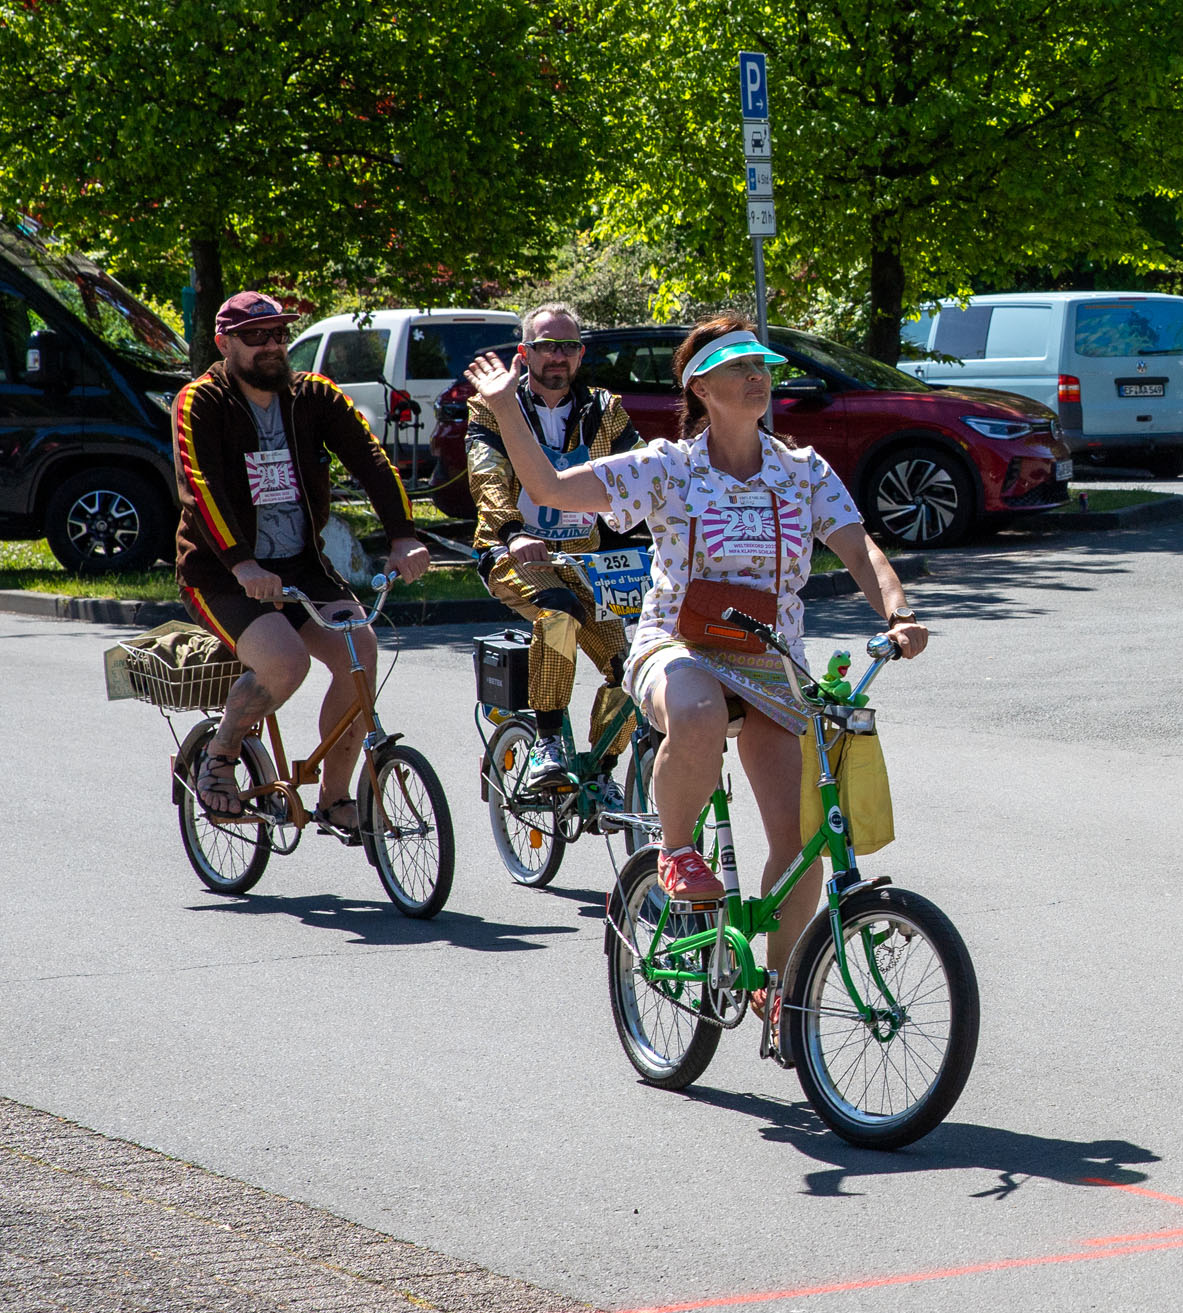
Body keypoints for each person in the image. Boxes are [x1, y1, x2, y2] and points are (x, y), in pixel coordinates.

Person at [466, 313, 928, 1007]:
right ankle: (677, 851)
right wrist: (506, 409)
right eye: (740, 368)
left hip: (772, 661)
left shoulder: (803, 471)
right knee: (697, 707)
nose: (757, 378)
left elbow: (860, 549)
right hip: (673, 646)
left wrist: (897, 612)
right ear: (701, 388)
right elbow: (556, 492)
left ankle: (780, 995)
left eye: (762, 368)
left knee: (800, 842)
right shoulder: (667, 467)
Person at [173, 290, 429, 832]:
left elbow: (372, 461)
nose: (271, 345)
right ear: (224, 343)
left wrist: (403, 537)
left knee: (360, 649)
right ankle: (220, 756)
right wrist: (243, 565)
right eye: (255, 336)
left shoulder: (314, 396)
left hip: (302, 567)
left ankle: (335, 800)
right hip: (220, 574)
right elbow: (202, 489)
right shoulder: (201, 402)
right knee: (288, 662)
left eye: (278, 334)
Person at [468, 302, 642, 802]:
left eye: (568, 346)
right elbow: (486, 477)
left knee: (632, 665)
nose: (558, 357)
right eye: (546, 346)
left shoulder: (604, 410)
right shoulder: (493, 405)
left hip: (584, 560)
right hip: (512, 555)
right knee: (559, 613)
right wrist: (512, 532)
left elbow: (639, 471)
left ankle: (602, 768)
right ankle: (547, 744)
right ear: (525, 353)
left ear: (581, 353)